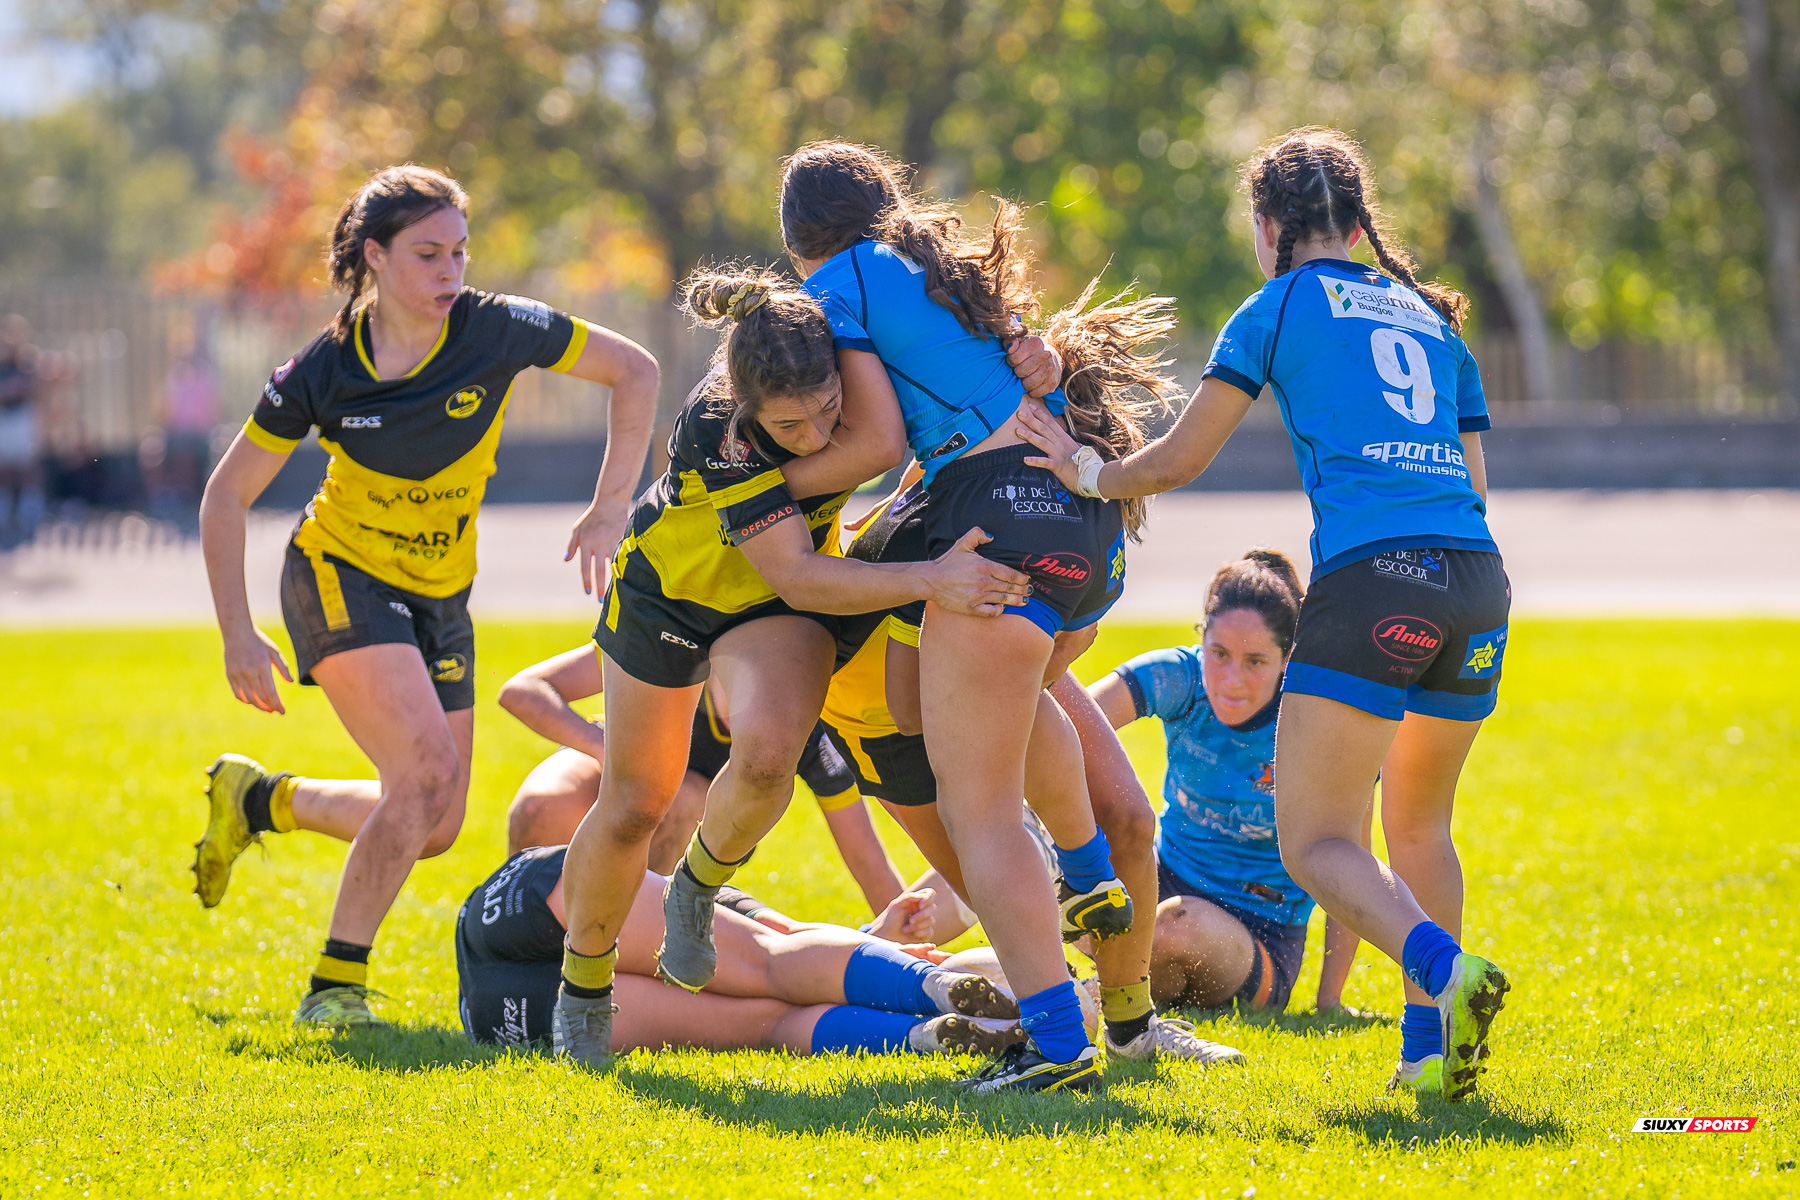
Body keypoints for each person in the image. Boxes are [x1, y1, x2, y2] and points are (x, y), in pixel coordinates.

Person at [1016, 127, 1512, 1100]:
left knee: (1316, 842)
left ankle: (1449, 973)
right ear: (1359, 221)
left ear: (1270, 224)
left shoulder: (1278, 305)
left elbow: (1177, 460)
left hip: (1376, 581)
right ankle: (1429, 1061)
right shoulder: (1431, 319)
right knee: (1421, 828)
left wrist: (1083, 468)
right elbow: (1476, 487)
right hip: (1478, 583)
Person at [191, 164, 660, 1029]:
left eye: (459, 253)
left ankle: (262, 801)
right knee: (426, 775)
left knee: (433, 819)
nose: (451, 273)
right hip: (338, 573)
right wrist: (236, 631)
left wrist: (608, 508)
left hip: (441, 592)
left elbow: (633, 370)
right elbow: (226, 494)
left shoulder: (495, 328)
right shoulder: (325, 370)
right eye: (427, 255)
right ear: (374, 257)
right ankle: (334, 988)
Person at [554, 268, 1040, 1070]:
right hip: (673, 594)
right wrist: (930, 577)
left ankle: (698, 887)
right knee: (637, 802)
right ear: (747, 410)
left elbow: (883, 444)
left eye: (825, 411)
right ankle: (583, 986)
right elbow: (800, 575)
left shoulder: (841, 364)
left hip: (771, 606)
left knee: (774, 752)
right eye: (791, 424)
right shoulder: (717, 428)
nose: (815, 435)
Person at [780, 141, 1184, 1092]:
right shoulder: (938, 268)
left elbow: (878, 439)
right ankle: (1085, 870)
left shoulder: (840, 282)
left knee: (981, 809)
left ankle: (1054, 1046)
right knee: (1013, 694)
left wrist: (758, 488)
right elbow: (1029, 367)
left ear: (799, 240)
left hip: (995, 508)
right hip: (1081, 520)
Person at [825, 471, 1248, 1065]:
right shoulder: (959, 468)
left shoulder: (1089, 507)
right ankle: (1039, 1026)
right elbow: (907, 707)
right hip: (882, 716)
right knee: (1010, 897)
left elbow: (1073, 639)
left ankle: (1131, 1029)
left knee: (1125, 818)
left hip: (1005, 651)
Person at [1088, 549, 1365, 1016]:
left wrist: (1329, 1001)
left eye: (1255, 661)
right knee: (1045, 847)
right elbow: (1059, 734)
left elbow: (1353, 862)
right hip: (1159, 885)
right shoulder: (1179, 676)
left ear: (1287, 660)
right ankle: (935, 948)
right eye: (1219, 654)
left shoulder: (1319, 721)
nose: (1231, 681)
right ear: (1202, 638)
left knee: (1177, 926)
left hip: (1257, 936)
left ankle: (1062, 999)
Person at [495, 642, 908, 913]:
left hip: (692, 815)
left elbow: (866, 857)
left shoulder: (803, 723)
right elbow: (522, 690)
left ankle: (638, 946)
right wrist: (607, 748)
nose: (747, 708)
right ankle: (513, 933)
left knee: (677, 798)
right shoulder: (674, 646)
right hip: (619, 766)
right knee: (542, 808)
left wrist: (913, 950)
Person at [0, 314, 45, 542]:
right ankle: (5, 506)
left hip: (23, 416)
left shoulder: (27, 361)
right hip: (5, 416)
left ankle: (30, 507)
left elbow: (32, 387)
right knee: (5, 464)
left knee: (27, 463)